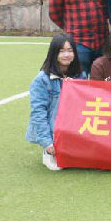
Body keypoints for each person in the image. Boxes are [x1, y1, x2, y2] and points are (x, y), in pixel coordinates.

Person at [25, 33, 82, 171]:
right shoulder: (42, 80)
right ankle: (48, 151)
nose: (66, 55)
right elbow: (38, 113)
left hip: (71, 126)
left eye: (70, 50)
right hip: (52, 129)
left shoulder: (80, 75)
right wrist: (47, 142)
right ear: (54, 53)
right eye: (61, 51)